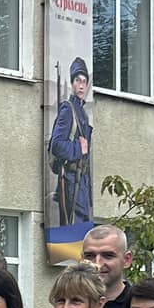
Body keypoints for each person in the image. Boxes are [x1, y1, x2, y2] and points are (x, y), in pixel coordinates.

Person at [55, 225, 141, 308]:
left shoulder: (139, 307)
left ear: (127, 259)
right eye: (90, 256)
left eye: (108, 255)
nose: (98, 263)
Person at [49, 57, 93, 229]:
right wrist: (78, 148)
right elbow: (56, 145)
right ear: (72, 84)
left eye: (84, 81)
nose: (81, 85)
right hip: (70, 183)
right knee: (72, 231)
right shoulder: (68, 109)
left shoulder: (83, 113)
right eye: (77, 81)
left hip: (82, 184)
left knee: (82, 234)